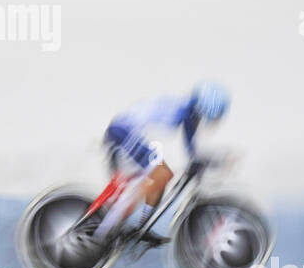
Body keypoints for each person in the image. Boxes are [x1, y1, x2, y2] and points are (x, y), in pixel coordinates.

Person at [78, 81, 231, 254]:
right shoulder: (181, 111)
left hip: (126, 132)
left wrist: (211, 161)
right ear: (208, 107)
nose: (213, 121)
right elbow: (153, 132)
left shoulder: (188, 113)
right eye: (215, 116)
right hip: (124, 131)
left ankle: (140, 226)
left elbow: (192, 152)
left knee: (161, 177)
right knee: (160, 175)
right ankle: (100, 235)